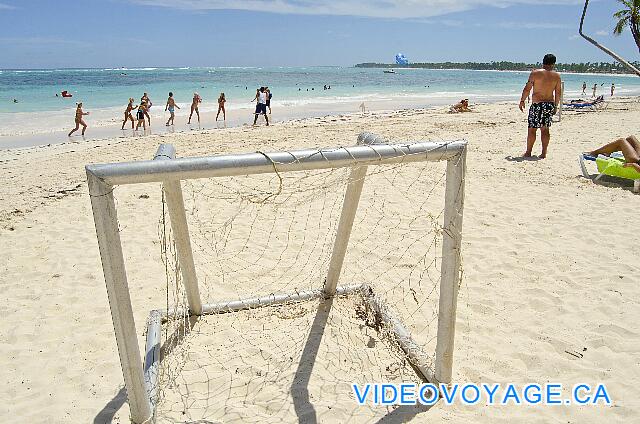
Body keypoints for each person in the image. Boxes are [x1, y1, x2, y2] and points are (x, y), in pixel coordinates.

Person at [518, 53, 562, 159]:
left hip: (537, 104)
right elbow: (558, 93)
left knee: (532, 129)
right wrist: (556, 106)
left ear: (543, 62)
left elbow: (527, 88)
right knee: (545, 129)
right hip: (549, 104)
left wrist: (522, 100)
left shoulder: (535, 73)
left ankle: (528, 152)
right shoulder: (556, 76)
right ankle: (543, 153)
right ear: (553, 63)